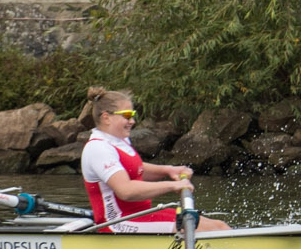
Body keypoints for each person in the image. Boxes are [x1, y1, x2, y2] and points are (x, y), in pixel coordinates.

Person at [78, 88, 230, 233]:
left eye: (132, 115)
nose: (132, 121)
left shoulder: (119, 141)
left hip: (140, 215)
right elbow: (125, 191)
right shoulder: (98, 148)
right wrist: (173, 185)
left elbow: (136, 169)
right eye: (127, 115)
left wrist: (168, 170)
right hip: (118, 223)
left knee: (219, 226)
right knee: (210, 231)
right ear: (106, 118)